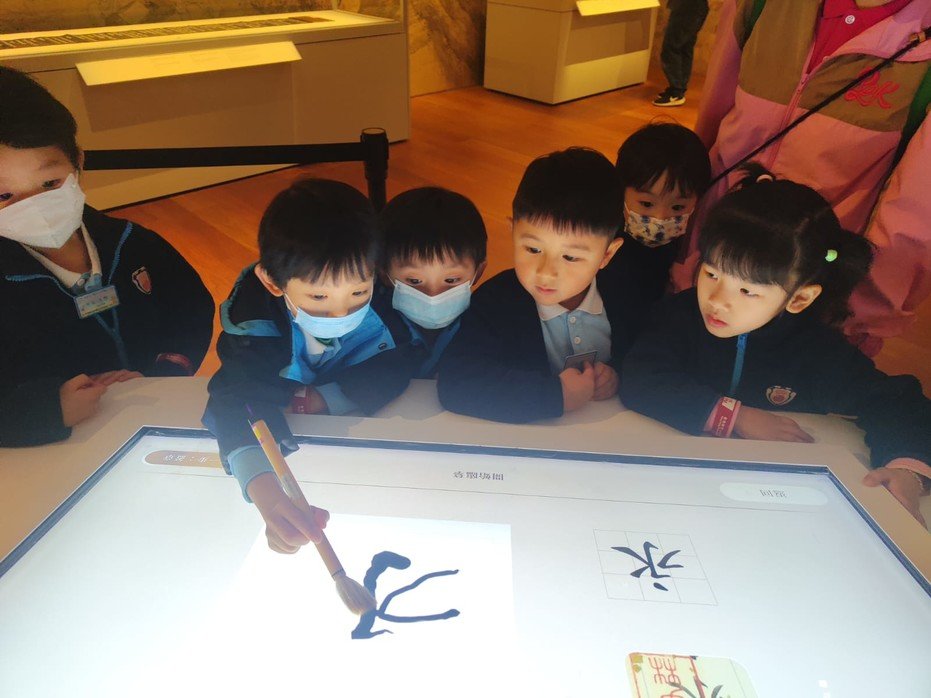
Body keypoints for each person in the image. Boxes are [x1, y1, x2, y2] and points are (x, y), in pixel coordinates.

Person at [622, 167, 931, 524]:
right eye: (711, 274)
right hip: (677, 487)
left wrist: (907, 472)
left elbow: (900, 404)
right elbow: (641, 377)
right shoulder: (679, 315)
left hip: (770, 504)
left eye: (747, 291)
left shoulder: (816, 350)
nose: (717, 300)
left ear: (799, 298)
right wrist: (736, 416)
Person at [673, 0, 931, 356]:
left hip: (814, 295)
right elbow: (713, 122)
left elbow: (915, 221)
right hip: (711, 260)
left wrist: (857, 321)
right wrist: (687, 248)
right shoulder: (761, 5)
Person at [203, 178, 423, 553]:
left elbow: (398, 363)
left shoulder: (387, 305)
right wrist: (268, 496)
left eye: (359, 292)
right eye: (319, 297)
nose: (341, 312)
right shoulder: (254, 325)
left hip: (363, 446)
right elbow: (237, 398)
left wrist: (328, 398)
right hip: (302, 452)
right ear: (273, 282)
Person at [0, 66, 214, 448]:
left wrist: (169, 368)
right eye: (4, 195)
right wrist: (47, 410)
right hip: (58, 448)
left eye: (50, 183)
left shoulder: (132, 242)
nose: (34, 206)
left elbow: (189, 305)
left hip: (154, 416)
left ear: (78, 163)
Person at [438, 147, 649, 423]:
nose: (546, 273)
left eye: (570, 257)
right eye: (533, 249)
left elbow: (649, 358)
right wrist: (554, 395)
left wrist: (617, 374)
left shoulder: (627, 295)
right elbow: (457, 381)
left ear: (607, 254)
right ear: (513, 232)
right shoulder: (495, 302)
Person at [379, 187, 488, 378]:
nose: (433, 296)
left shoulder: (486, 326)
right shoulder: (370, 327)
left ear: (478, 273)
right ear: (383, 274)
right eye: (414, 281)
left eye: (451, 280)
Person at [613, 122, 710, 306]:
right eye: (647, 204)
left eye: (677, 207)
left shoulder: (687, 246)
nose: (660, 218)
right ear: (621, 190)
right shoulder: (605, 241)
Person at [653, 0, 710, 106]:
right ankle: (678, 89)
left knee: (671, 47)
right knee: (684, 48)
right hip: (695, 8)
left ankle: (676, 92)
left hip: (686, 7)